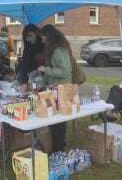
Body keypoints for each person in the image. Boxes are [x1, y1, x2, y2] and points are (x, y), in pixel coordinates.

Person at [37, 24, 72, 152]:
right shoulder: (52, 49)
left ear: (48, 36)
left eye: (43, 37)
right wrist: (43, 84)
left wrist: (45, 69)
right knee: (53, 119)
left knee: (59, 121)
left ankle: (59, 148)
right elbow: (50, 71)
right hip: (54, 89)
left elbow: (65, 71)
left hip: (62, 90)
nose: (42, 40)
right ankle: (54, 146)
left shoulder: (58, 50)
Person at [17, 24, 45, 91]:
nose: (28, 39)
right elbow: (24, 65)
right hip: (32, 78)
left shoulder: (44, 46)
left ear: (36, 34)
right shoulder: (27, 48)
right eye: (26, 36)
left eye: (30, 35)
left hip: (44, 78)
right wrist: (24, 81)